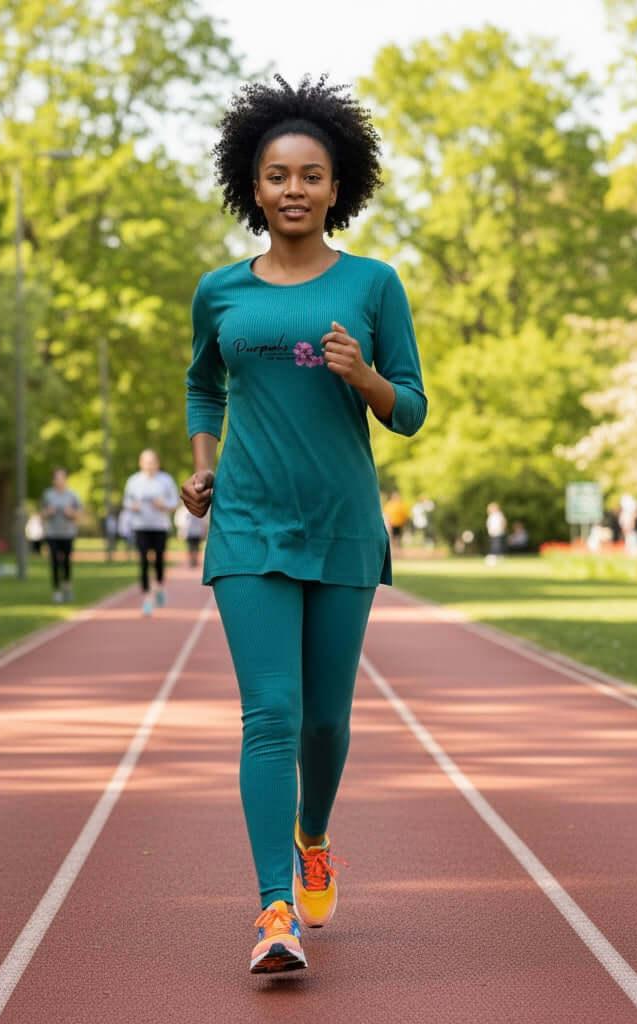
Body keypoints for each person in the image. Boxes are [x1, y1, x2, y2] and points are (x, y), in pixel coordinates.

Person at [182, 75, 426, 975]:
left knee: (325, 721)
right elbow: (203, 384)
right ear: (253, 186)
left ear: (338, 187)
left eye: (311, 175)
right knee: (270, 715)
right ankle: (273, 908)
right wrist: (203, 464)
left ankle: (313, 835)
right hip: (246, 525)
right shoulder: (219, 291)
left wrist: (363, 376)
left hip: (341, 526)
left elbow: (410, 409)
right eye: (278, 174)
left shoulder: (374, 284)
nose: (294, 189)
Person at [123, 449, 180, 615]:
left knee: (159, 560)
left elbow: (175, 502)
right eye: (146, 462)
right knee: (143, 561)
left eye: (152, 462)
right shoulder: (133, 481)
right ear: (141, 463)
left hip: (160, 526)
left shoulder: (166, 480)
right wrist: (132, 506)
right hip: (140, 526)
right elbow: (126, 501)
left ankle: (160, 586)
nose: (149, 465)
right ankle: (147, 598)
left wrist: (164, 505)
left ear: (157, 463)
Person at [41, 467, 82, 603]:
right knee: (54, 562)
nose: (60, 480)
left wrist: (71, 513)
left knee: (66, 562)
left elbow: (79, 514)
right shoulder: (48, 495)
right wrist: (49, 512)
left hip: (67, 533)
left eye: (62, 477)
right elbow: (42, 514)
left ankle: (67, 586)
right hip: (52, 533)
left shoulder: (72, 495)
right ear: (53, 480)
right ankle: (56, 590)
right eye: (57, 478)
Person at [175, 503, 209, 568]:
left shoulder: (201, 508)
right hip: (188, 532)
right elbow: (180, 522)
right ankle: (191, 560)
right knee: (190, 547)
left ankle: (195, 560)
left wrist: (204, 531)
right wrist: (181, 532)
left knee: (196, 546)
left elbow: (204, 521)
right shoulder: (183, 510)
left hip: (198, 531)